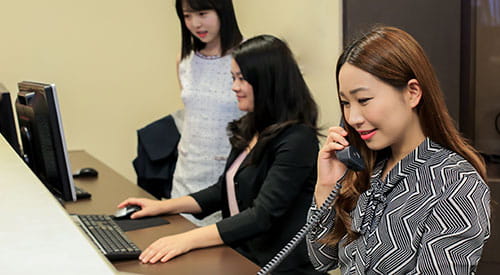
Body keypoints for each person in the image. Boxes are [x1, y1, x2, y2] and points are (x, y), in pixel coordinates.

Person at [119, 35, 325, 274]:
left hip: (279, 267)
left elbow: (261, 215)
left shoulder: (298, 140)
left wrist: (187, 240)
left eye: (241, 79)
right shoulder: (251, 127)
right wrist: (163, 207)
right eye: (233, 78)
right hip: (242, 257)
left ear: (267, 81)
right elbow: (223, 190)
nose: (234, 87)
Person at [307, 26, 491, 274]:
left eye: (363, 100)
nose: (353, 117)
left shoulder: (457, 183)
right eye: (345, 103)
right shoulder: (367, 169)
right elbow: (322, 260)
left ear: (412, 93)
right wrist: (326, 187)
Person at [171, 0, 244, 226]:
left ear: (222, 10)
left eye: (202, 13)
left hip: (228, 176)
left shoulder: (245, 58)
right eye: (188, 16)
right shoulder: (184, 61)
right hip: (186, 173)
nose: (195, 24)